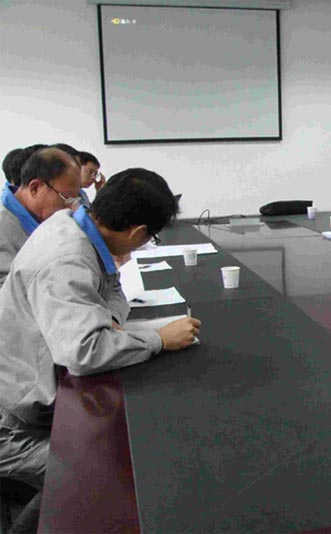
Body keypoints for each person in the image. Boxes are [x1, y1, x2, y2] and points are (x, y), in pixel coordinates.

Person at [0, 167, 200, 508]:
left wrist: (107, 321)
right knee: (109, 475)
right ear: (137, 232)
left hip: (32, 395)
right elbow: (85, 353)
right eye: (150, 237)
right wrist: (159, 340)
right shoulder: (67, 258)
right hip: (15, 427)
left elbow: (114, 290)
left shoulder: (74, 224)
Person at [0, 147, 82, 286]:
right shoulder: (4, 227)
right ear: (35, 188)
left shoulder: (44, 221)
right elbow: (8, 293)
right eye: (66, 198)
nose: (70, 208)